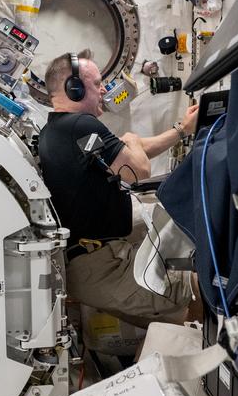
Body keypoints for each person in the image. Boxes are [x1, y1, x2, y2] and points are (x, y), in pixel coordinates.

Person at [37, 50, 200, 332]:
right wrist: (132, 140)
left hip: (90, 260)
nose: (104, 89)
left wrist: (182, 130)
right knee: (195, 289)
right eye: (97, 83)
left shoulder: (57, 128)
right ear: (74, 89)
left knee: (175, 227)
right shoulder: (81, 125)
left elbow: (130, 152)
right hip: (103, 267)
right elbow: (139, 170)